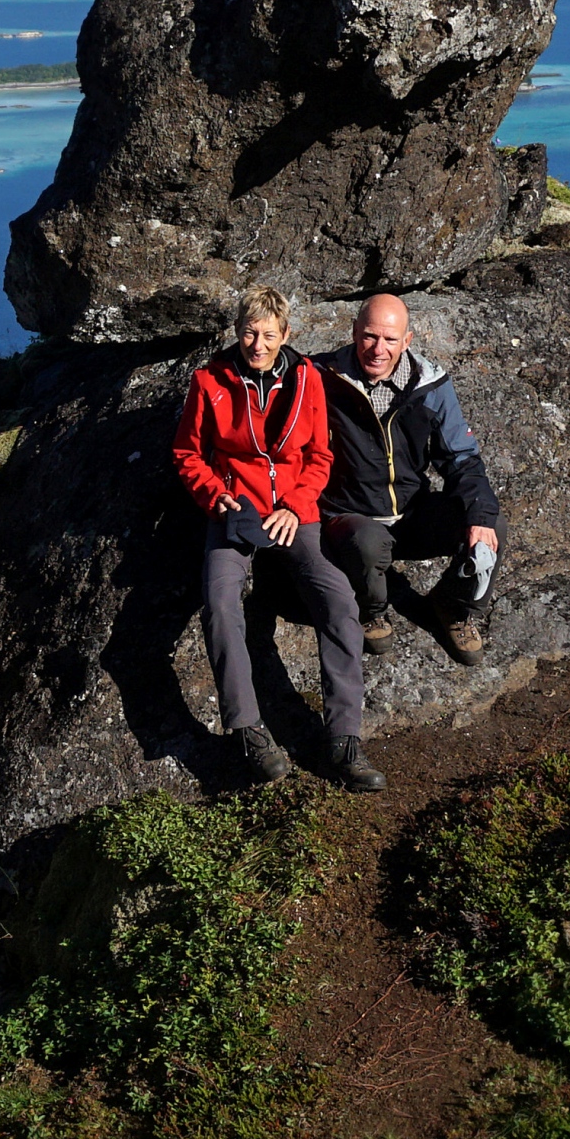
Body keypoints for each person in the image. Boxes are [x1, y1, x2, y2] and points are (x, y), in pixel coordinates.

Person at [170, 286, 384, 793]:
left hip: (294, 514)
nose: (257, 344)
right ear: (236, 331)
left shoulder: (308, 378)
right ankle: (247, 730)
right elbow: (187, 453)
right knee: (220, 603)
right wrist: (214, 494)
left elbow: (320, 457)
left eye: (268, 334)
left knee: (337, 602)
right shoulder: (210, 382)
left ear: (286, 335)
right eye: (249, 332)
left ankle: (344, 740)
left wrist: (295, 505)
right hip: (233, 512)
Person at [315, 294, 502, 668]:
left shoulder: (429, 386)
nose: (378, 349)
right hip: (351, 516)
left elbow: (460, 457)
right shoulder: (321, 378)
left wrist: (479, 515)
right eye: (369, 336)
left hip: (411, 513)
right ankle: (371, 610)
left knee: (491, 524)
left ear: (407, 340)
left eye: (389, 339)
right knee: (366, 543)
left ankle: (453, 604)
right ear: (354, 332)